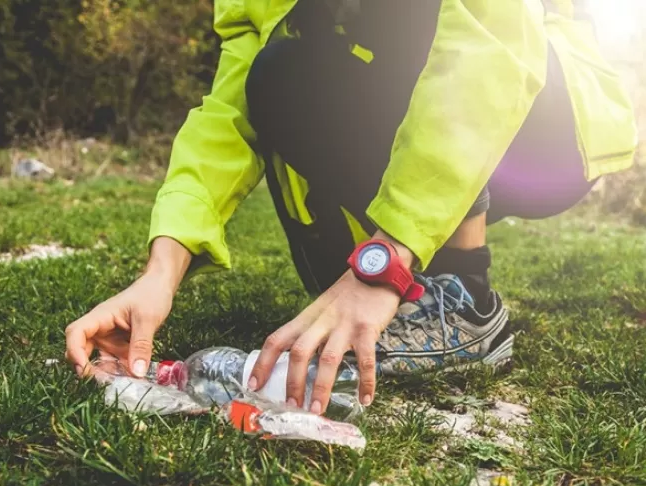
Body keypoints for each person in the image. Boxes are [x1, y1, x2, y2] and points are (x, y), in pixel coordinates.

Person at [65, 0, 638, 415]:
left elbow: (491, 41)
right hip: (413, 112)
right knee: (278, 70)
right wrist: (161, 271)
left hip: (541, 122)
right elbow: (231, 105)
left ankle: (465, 293)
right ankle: (411, 283)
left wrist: (385, 258)